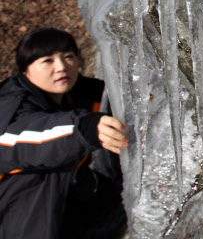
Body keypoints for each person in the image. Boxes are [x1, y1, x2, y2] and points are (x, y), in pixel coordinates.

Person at [0, 27, 128, 239]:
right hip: (18, 222)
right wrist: (82, 129)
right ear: (25, 71)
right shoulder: (10, 105)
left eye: (68, 57)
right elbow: (29, 138)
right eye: (47, 61)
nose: (61, 67)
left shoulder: (82, 95)